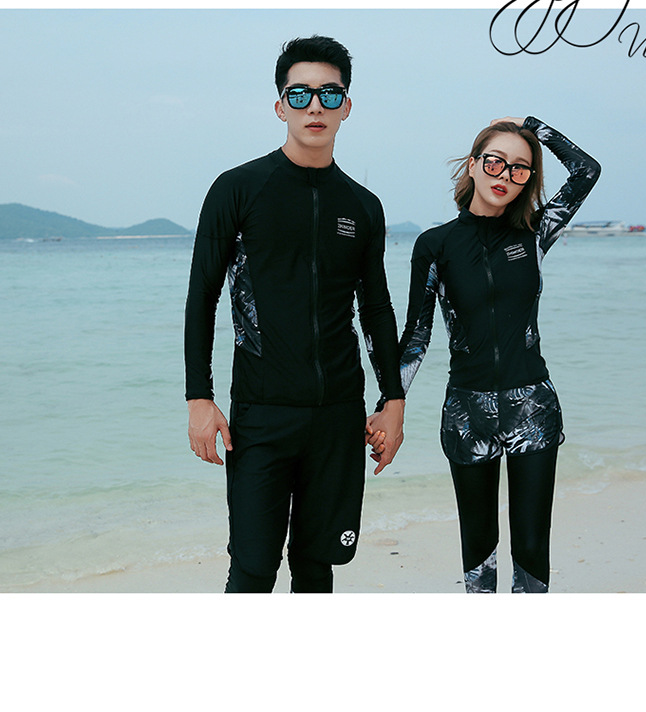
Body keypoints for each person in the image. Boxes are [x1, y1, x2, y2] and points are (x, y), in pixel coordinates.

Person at [184, 36, 405, 594]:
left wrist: (394, 400)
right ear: (280, 106)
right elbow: (202, 296)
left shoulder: (362, 206)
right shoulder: (238, 190)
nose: (315, 106)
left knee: (317, 565)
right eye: (300, 93)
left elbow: (376, 307)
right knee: (253, 567)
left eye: (329, 94)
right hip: (261, 413)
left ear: (346, 107)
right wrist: (199, 398)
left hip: (338, 415)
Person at [372, 116, 600, 593]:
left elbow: (586, 171)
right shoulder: (435, 245)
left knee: (532, 547)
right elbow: (416, 336)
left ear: (528, 180)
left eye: (520, 169)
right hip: (466, 412)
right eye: (495, 161)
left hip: (533, 408)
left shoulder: (534, 234)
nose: (505, 175)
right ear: (473, 165)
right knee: (479, 551)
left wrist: (534, 128)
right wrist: (390, 404)